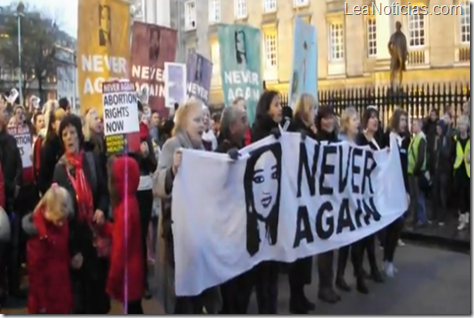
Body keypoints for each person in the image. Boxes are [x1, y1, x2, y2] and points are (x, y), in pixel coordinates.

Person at [155, 98, 221, 314]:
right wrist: (172, 171)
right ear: (183, 123)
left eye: (204, 119)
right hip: (178, 236)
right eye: (197, 119)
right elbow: (157, 184)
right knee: (184, 296)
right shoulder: (172, 145)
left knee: (200, 290)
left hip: (200, 232)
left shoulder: (203, 148)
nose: (203, 123)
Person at [52, 114, 110, 314]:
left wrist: (102, 208)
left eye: (72, 133)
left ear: (79, 135)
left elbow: (104, 191)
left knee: (99, 300)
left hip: (97, 238)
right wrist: (72, 250)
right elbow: (59, 216)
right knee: (80, 303)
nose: (69, 137)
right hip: (76, 241)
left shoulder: (91, 160)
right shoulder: (59, 171)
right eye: (64, 134)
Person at [216, 106, 252, 314]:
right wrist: (224, 162)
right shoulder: (220, 152)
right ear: (232, 126)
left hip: (242, 227)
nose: (247, 123)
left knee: (245, 283)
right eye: (243, 119)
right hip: (228, 230)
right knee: (232, 288)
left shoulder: (244, 146)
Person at [250, 90, 282, 314]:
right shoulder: (259, 131)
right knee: (264, 267)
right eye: (276, 104)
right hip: (262, 205)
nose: (280, 108)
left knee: (274, 266)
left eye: (281, 104)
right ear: (266, 108)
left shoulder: (279, 130)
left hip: (276, 205)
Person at [22, 185, 73, 314]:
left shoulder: (61, 222)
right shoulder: (38, 235)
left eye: (63, 219)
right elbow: (36, 275)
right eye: (58, 219)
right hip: (46, 299)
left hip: (61, 290)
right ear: (48, 210)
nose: (62, 223)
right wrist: (42, 306)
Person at [103, 156, 144, 314]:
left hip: (128, 276)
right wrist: (105, 227)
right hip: (135, 273)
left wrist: (112, 281)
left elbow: (120, 249)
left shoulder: (124, 208)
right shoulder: (131, 201)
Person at [287, 93, 316, 314]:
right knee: (298, 253)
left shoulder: (307, 130)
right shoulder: (295, 130)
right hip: (296, 198)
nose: (315, 112)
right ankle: (295, 299)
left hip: (306, 196)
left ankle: (301, 295)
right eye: (312, 108)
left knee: (305, 252)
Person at [355, 107, 385, 288]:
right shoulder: (361, 140)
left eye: (377, 118)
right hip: (361, 194)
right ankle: (361, 273)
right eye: (372, 117)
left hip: (373, 193)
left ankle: (371, 269)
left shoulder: (376, 139)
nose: (375, 120)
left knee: (370, 235)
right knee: (362, 237)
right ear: (365, 121)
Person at [314, 105, 341, 303]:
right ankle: (325, 286)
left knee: (330, 244)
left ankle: (329, 284)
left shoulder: (335, 140)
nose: (328, 121)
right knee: (324, 244)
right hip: (320, 197)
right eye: (324, 118)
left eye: (331, 117)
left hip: (333, 197)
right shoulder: (316, 141)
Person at [133, 101, 157, 299]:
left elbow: (154, 165)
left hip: (144, 189)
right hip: (128, 191)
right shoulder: (120, 135)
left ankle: (143, 282)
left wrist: (147, 155)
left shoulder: (145, 134)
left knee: (141, 236)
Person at [0, 100, 23, 301]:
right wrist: (9, 187)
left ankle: (14, 287)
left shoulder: (11, 139)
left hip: (13, 199)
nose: (6, 114)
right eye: (3, 111)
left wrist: (16, 184)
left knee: (14, 247)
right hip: (2, 200)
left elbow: (18, 163)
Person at [383, 108, 410, 277]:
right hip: (389, 189)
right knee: (394, 225)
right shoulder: (387, 138)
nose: (404, 123)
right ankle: (386, 260)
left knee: (398, 225)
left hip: (400, 188)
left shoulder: (405, 141)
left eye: (405, 120)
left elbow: (404, 167)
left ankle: (389, 260)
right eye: (402, 120)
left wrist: (407, 190)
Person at [37, 107, 65, 195]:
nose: (64, 122)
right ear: (53, 124)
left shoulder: (65, 143)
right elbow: (43, 179)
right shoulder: (48, 146)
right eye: (60, 119)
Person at [430, 119, 452, 226]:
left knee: (442, 194)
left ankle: (443, 217)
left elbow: (448, 154)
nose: (437, 130)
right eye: (437, 128)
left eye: (439, 128)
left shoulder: (446, 139)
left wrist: (440, 147)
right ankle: (434, 215)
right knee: (435, 193)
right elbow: (433, 153)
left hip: (444, 170)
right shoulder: (436, 139)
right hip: (436, 169)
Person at [407, 118, 427, 227]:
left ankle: (421, 218)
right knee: (414, 196)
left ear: (419, 126)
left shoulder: (421, 138)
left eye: (414, 124)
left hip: (417, 173)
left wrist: (415, 170)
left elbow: (420, 158)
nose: (412, 126)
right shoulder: (416, 138)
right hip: (413, 172)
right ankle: (415, 217)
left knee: (419, 196)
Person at [451, 116, 470, 231]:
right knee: (460, 196)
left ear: (467, 126)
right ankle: (463, 219)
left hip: (468, 171)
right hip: (459, 170)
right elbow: (452, 153)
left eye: (463, 124)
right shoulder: (455, 139)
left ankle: (467, 216)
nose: (461, 127)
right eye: (459, 125)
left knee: (468, 196)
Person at [83, 108, 107, 174]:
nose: (99, 121)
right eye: (96, 119)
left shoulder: (102, 138)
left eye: (99, 118)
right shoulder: (87, 143)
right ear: (89, 123)